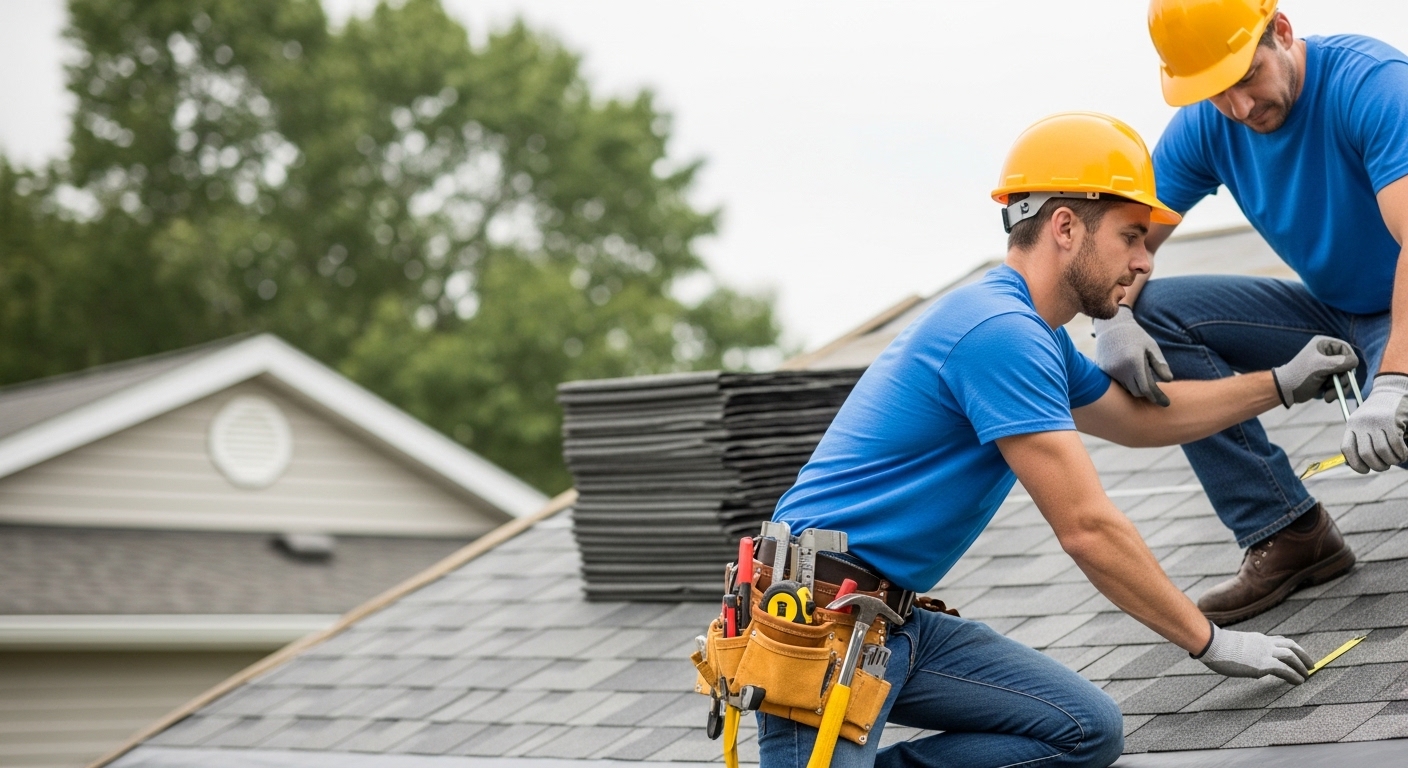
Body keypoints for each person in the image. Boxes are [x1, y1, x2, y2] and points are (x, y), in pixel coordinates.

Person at [758, 111, 1352, 768]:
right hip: (814, 623)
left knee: (1084, 729)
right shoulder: (999, 332)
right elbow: (1088, 528)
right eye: (1132, 236)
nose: (1144, 261)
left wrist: (1283, 381)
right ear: (1066, 227)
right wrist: (1209, 641)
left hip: (886, 623)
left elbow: (1139, 419)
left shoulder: (1032, 335)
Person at [1093, 0, 1408, 625]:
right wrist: (1111, 319)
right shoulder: (1207, 126)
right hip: (1331, 311)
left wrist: (1396, 379)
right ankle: (1287, 531)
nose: (1238, 108)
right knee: (1153, 309)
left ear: (1283, 32)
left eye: (1245, 78)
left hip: (1398, 308)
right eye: (1215, 93)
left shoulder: (1373, 85)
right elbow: (1125, 244)